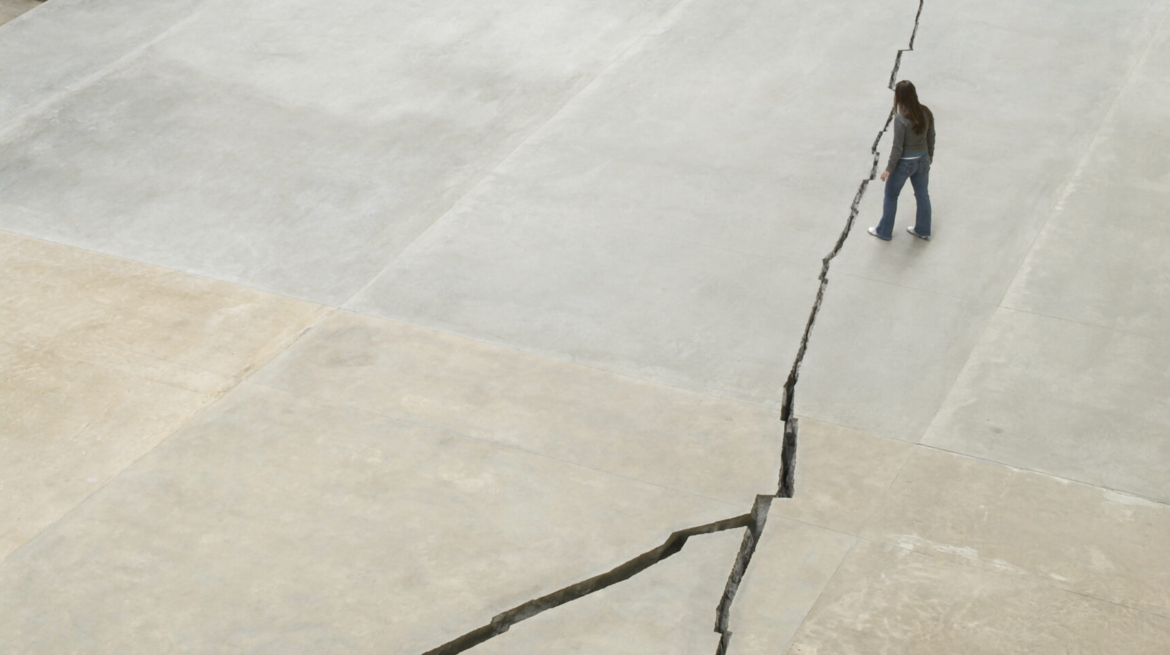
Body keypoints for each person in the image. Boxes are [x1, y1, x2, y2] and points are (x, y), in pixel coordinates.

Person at [869, 80, 935, 241]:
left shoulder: (901, 119)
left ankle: (884, 232)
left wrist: (888, 169)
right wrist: (930, 154)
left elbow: (897, 147)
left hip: (905, 163)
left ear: (899, 97)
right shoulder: (925, 112)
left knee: (891, 195)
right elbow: (931, 135)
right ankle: (923, 230)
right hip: (923, 159)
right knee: (922, 195)